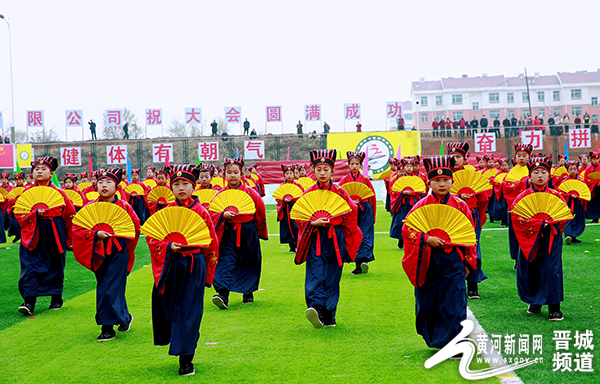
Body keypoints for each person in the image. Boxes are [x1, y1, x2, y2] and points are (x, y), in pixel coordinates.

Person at [148, 164, 219, 376]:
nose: (181, 188)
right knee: (168, 307)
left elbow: (212, 244)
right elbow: (153, 239)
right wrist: (168, 246)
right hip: (170, 265)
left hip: (194, 265)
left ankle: (186, 358)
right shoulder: (166, 212)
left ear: (193, 186)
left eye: (185, 184)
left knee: (189, 311)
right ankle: (186, 342)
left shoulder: (202, 212)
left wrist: (208, 276)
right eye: (176, 184)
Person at [401, 155, 477, 348]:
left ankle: (457, 344)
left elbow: (470, 236)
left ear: (452, 181)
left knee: (454, 302)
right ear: (430, 182)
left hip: (453, 260)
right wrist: (427, 239)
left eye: (446, 180)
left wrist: (468, 263)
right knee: (428, 302)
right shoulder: (421, 206)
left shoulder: (461, 206)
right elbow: (408, 230)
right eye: (437, 180)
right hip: (427, 259)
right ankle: (436, 338)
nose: (442, 184)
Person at [294, 149, 362, 328]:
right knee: (316, 273)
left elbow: (351, 212)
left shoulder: (340, 191)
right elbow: (300, 216)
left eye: (326, 169)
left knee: (332, 275)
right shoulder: (308, 192)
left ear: (333, 172)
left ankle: (330, 314)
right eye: (319, 169)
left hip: (335, 238)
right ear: (313, 171)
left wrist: (345, 234)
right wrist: (312, 222)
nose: (322, 173)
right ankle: (316, 307)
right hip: (314, 237)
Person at [72, 168, 140, 341]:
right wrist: (95, 235)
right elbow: (78, 229)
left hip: (118, 252)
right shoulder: (90, 207)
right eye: (100, 182)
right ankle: (125, 317)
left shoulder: (125, 207)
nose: (104, 185)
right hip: (99, 252)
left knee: (109, 287)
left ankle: (107, 327)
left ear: (116, 187)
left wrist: (127, 251)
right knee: (107, 286)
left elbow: (135, 229)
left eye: (108, 182)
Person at [16, 157, 76, 316]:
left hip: (54, 233)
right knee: (30, 266)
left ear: (51, 173)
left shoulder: (59, 193)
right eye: (36, 169)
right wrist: (33, 214)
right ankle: (29, 301)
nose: (39, 171)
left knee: (55, 265)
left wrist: (69, 238)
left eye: (43, 168)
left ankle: (56, 297)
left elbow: (70, 216)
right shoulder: (26, 193)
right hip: (32, 234)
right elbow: (18, 214)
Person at [512, 157, 568, 321]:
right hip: (529, 239)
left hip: (551, 239)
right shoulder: (522, 197)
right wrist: (537, 224)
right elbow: (517, 219)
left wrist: (550, 225)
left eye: (544, 172)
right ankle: (534, 302)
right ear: (530, 177)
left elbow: (563, 218)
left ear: (549, 175)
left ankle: (554, 307)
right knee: (531, 271)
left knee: (552, 271)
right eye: (535, 172)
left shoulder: (556, 196)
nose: (540, 175)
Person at [211, 156, 268, 309]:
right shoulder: (219, 194)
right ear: (224, 175)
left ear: (241, 174)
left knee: (249, 262)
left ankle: (247, 293)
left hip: (248, 232)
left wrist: (256, 231)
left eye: (236, 172)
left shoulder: (251, 192)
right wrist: (222, 215)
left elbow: (260, 212)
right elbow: (212, 213)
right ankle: (223, 295)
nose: (233, 175)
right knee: (225, 262)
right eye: (229, 172)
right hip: (227, 232)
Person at [448, 142, 488, 299]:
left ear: (465, 158)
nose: (455, 159)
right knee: (452, 249)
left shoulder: (472, 175)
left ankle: (473, 285)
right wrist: (458, 197)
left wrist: (474, 200)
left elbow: (483, 198)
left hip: (471, 217)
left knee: (473, 248)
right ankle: (453, 283)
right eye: (452, 157)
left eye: (458, 157)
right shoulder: (445, 175)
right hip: (450, 218)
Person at [339, 151, 377, 274]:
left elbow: (372, 197)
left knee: (366, 234)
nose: (354, 166)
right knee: (354, 234)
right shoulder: (344, 180)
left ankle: (362, 261)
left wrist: (373, 215)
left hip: (365, 209)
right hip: (351, 210)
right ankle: (357, 263)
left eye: (357, 164)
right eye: (352, 164)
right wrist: (350, 201)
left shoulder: (365, 179)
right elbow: (339, 196)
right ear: (348, 165)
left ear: (361, 165)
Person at [389, 158, 424, 250]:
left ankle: (413, 240)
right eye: (407, 166)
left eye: (411, 166)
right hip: (402, 203)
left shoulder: (417, 179)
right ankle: (401, 240)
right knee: (401, 222)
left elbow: (421, 191)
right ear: (403, 168)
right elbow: (393, 191)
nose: (409, 168)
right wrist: (402, 193)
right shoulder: (398, 179)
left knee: (414, 222)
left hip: (413, 203)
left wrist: (415, 193)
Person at [276, 165, 305, 253]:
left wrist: (293, 199)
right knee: (287, 227)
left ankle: (298, 244)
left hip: (295, 207)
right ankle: (291, 247)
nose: (289, 175)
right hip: (285, 209)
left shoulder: (298, 185)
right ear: (284, 175)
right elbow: (277, 198)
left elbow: (302, 196)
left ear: (294, 175)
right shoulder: (282, 186)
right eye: (287, 174)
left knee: (296, 226)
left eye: (291, 173)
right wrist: (283, 200)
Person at [561, 160, 586, 244]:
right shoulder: (564, 181)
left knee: (578, 219)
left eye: (574, 169)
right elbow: (561, 193)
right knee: (568, 219)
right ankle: (568, 235)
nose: (572, 171)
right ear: (567, 170)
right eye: (570, 169)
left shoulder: (581, 180)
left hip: (578, 204)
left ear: (577, 170)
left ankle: (574, 236)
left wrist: (579, 196)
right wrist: (570, 196)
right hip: (568, 204)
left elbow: (584, 192)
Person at [584, 151, 600, 223]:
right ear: (591, 160)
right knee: (593, 204)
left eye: (597, 159)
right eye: (594, 160)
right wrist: (595, 182)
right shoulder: (588, 169)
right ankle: (595, 218)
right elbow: (586, 179)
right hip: (593, 190)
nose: (596, 161)